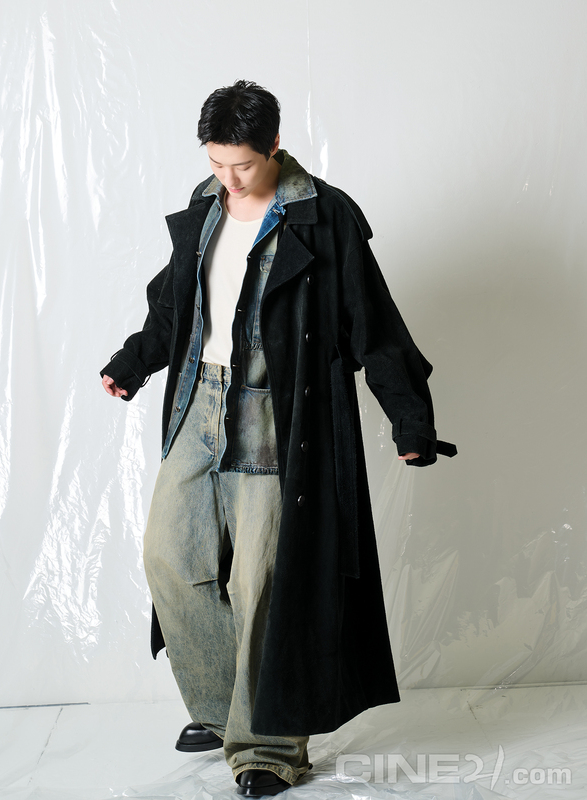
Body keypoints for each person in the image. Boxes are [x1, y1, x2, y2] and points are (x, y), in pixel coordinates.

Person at [101, 80, 456, 797]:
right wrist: (134, 362)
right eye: (215, 163)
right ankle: (222, 708)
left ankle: (268, 745)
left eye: (242, 165)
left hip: (274, 413)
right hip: (199, 403)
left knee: (264, 581)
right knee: (171, 557)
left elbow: (373, 323)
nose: (228, 179)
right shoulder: (207, 206)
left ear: (275, 146)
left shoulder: (322, 216)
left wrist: (410, 420)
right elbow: (176, 303)